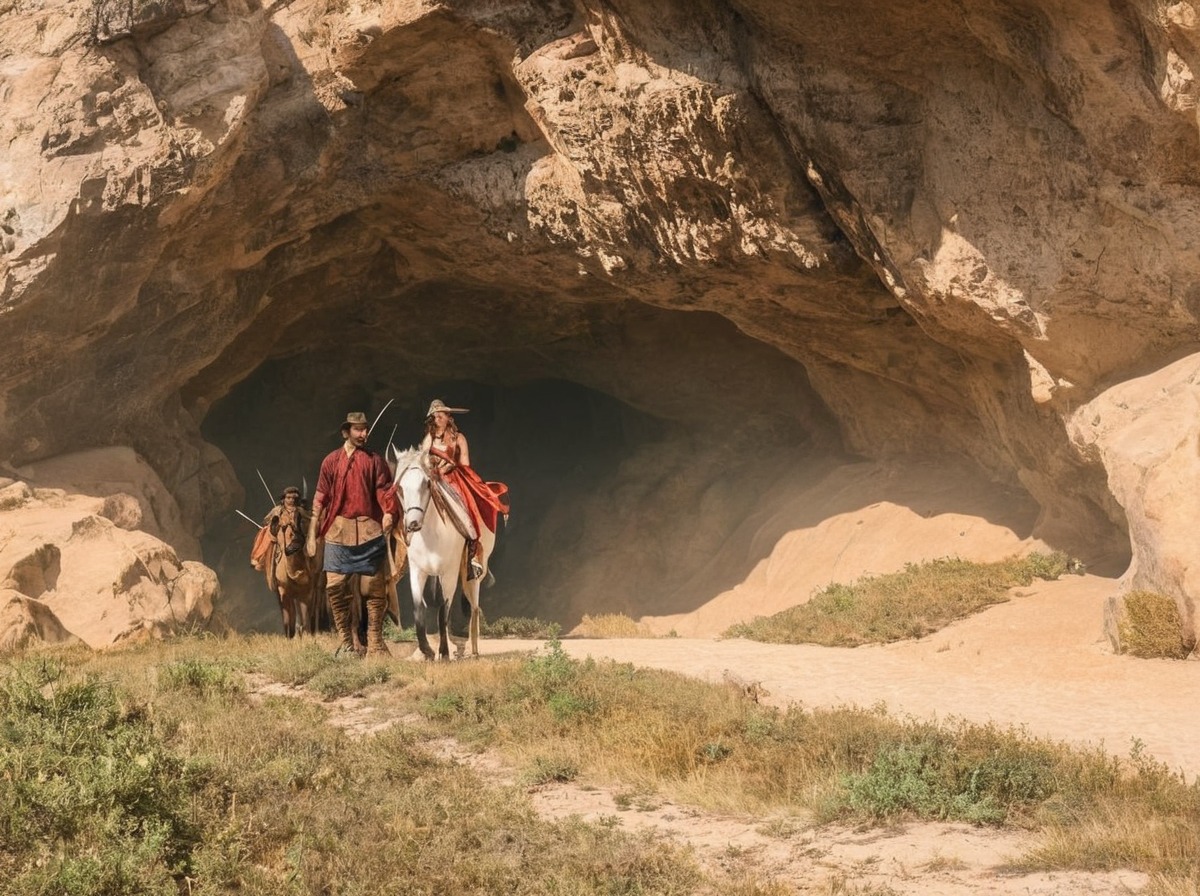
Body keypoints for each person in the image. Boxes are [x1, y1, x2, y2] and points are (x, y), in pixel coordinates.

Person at [306, 411, 399, 657]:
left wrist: (389, 511)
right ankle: (347, 643)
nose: (363, 434)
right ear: (346, 432)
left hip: (369, 530)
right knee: (335, 587)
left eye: (365, 429)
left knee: (374, 589)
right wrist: (312, 530)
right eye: (358, 430)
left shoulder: (375, 460)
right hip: (338, 530)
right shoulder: (331, 461)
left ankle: (375, 643)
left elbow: (384, 490)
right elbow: (321, 495)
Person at [420, 399, 509, 580]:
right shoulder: (429, 438)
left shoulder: (458, 438)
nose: (438, 418)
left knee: (467, 508)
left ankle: (474, 550)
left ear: (448, 417)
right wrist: (432, 472)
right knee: (415, 504)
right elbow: (422, 460)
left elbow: (465, 464)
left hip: (453, 479)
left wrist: (448, 468)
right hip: (433, 479)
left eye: (441, 415)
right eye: (435, 416)